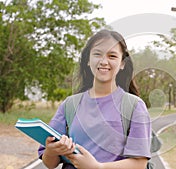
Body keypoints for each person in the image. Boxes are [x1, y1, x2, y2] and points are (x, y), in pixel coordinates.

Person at [38, 29, 151, 169]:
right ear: (87, 60)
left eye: (112, 56)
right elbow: (50, 163)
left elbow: (140, 163)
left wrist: (98, 167)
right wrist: (50, 151)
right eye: (97, 54)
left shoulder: (134, 106)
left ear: (122, 63)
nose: (104, 61)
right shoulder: (70, 105)